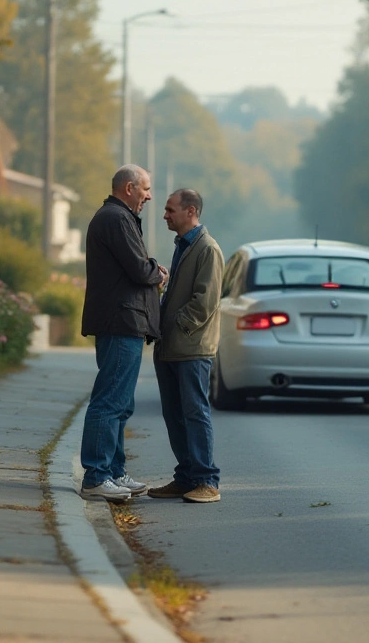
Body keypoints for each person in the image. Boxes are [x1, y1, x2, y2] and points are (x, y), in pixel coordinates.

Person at [79, 165, 167, 502]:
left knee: (121, 403)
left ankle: (114, 471)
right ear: (129, 188)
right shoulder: (115, 218)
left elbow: (135, 265)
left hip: (125, 322)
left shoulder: (118, 217)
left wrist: (150, 269)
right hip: (120, 321)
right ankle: (97, 476)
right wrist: (156, 271)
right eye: (145, 189)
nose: (149, 196)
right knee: (110, 400)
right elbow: (138, 268)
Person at [147, 189, 224, 504]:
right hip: (171, 348)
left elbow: (204, 303)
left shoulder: (207, 249)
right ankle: (185, 478)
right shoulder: (184, 246)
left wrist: (173, 325)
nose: (165, 215)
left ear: (190, 211)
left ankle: (206, 480)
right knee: (174, 414)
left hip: (191, 348)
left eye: (170, 210)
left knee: (194, 413)